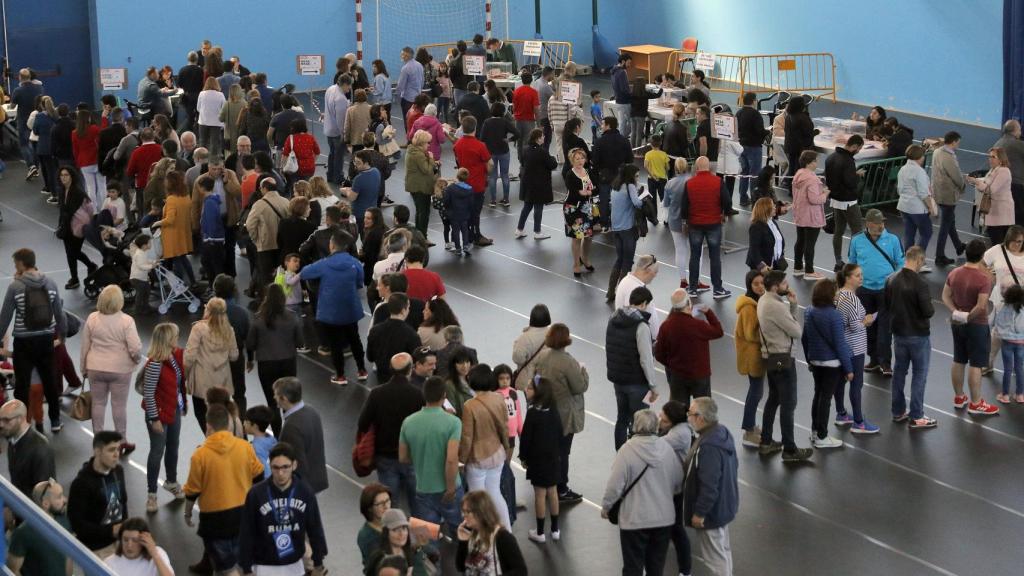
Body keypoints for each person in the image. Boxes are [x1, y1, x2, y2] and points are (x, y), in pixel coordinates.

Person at [183, 404, 265, 575]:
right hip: (243, 516)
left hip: (215, 522)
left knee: (225, 569)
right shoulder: (245, 447)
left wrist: (188, 513)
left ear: (208, 426)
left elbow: (193, 490)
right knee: (245, 565)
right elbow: (259, 476)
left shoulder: (200, 455)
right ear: (229, 425)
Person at [600, 409, 682, 576]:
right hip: (663, 519)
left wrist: (606, 507)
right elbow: (678, 483)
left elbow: (614, 486)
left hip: (634, 520)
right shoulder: (667, 448)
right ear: (656, 426)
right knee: (656, 567)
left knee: (632, 567)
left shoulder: (627, 450)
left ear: (635, 426)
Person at [0, 248, 67, 433]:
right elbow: (59, 314)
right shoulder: (51, 283)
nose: (14, 266)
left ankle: (20, 421)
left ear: (21, 263)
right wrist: (62, 336)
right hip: (45, 339)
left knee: (22, 385)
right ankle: (55, 420)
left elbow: (5, 316)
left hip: (24, 341)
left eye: (15, 264)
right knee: (50, 381)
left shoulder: (15, 287)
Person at [238, 442, 328, 576]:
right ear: (270, 465)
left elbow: (315, 529)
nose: (280, 473)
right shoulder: (256, 494)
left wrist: (318, 564)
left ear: (294, 465)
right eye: (276, 467)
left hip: (294, 565)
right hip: (263, 566)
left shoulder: (305, 493)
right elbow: (246, 533)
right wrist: (246, 569)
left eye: (285, 467)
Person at [757, 271, 813, 461]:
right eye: (784, 283)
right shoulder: (776, 306)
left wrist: (793, 304)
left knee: (773, 399)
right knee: (788, 404)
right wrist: (794, 306)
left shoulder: (763, 300)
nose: (787, 286)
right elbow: (796, 331)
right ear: (775, 286)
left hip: (771, 357)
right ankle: (790, 449)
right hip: (783, 358)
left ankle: (766, 441)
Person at [358, 352, 425, 510]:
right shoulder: (417, 394)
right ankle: (423, 534)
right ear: (410, 370)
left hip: (385, 457)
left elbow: (363, 423)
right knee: (420, 504)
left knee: (389, 505)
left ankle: (394, 532)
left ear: (390, 369)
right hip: (412, 457)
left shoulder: (377, 394)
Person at [80, 284, 142, 453]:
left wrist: (83, 368)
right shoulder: (126, 321)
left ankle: (98, 440)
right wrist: (135, 360)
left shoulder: (92, 318)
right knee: (119, 406)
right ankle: (122, 440)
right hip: (120, 370)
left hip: (95, 367)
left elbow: (85, 346)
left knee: (98, 404)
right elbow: (135, 348)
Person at [399, 376, 464, 536]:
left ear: (424, 395)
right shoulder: (453, 422)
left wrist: (423, 458)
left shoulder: (408, 422)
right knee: (462, 532)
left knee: (426, 536)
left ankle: (428, 559)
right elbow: (451, 459)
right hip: (449, 489)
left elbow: (403, 458)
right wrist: (450, 488)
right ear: (444, 396)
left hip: (423, 488)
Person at [942, 240, 1001, 416]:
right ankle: (976, 403)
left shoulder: (954, 272)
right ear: (983, 256)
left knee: (959, 359)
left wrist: (956, 313)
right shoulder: (983, 279)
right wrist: (968, 317)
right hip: (977, 324)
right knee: (976, 363)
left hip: (958, 323)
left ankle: (959, 397)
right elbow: (981, 306)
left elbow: (945, 296)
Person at [881, 246, 936, 430]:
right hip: (918, 335)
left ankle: (898, 411)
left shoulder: (890, 279)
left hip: (898, 334)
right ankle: (917, 415)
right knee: (919, 374)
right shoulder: (920, 284)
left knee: (899, 372)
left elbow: (887, 305)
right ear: (919, 260)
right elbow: (928, 311)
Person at [532, 323, 588, 504]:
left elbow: (536, 380)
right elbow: (579, 386)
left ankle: (549, 484)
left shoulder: (542, 357)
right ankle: (561, 488)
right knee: (563, 452)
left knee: (549, 449)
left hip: (546, 408)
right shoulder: (568, 362)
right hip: (564, 412)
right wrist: (584, 372)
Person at [683, 398, 739, 576]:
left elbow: (709, 485)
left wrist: (700, 513)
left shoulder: (708, 447)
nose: (688, 417)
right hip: (725, 505)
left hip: (711, 513)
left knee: (715, 558)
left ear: (700, 418)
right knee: (723, 551)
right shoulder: (722, 433)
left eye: (690, 413)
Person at [848, 208, 904, 376]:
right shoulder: (857, 240)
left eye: (882, 223)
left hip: (885, 291)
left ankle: (885, 363)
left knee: (885, 329)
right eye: (877, 223)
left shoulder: (893, 240)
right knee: (868, 326)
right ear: (868, 224)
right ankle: (873, 360)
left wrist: (896, 282)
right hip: (864, 290)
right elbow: (852, 262)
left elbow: (900, 262)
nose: (881, 226)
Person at [139, 323, 188, 513]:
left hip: (173, 409)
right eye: (175, 335)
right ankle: (152, 494)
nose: (178, 338)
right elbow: (149, 394)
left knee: (173, 446)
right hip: (158, 414)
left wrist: (182, 404)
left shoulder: (174, 357)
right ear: (167, 339)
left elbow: (178, 384)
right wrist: (154, 419)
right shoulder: (154, 364)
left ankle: (171, 481)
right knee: (157, 450)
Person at [801, 279, 853, 449]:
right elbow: (840, 344)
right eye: (835, 292)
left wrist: (809, 359)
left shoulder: (808, 311)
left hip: (816, 361)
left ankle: (815, 431)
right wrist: (848, 368)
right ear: (829, 295)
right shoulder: (834, 316)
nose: (837, 295)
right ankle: (823, 436)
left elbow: (805, 338)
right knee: (826, 399)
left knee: (818, 396)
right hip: (831, 364)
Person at [606, 287, 659, 450]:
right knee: (641, 423)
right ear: (643, 304)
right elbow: (646, 359)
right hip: (637, 383)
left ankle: (621, 453)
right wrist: (653, 385)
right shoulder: (641, 325)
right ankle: (639, 455)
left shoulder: (613, 318)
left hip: (618, 380)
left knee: (622, 419)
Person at [246, 284, 303, 436]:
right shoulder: (292, 316)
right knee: (289, 401)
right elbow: (300, 342)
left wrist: (250, 359)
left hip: (267, 365)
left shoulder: (259, 318)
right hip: (288, 363)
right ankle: (292, 433)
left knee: (273, 403)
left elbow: (250, 343)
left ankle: (277, 436)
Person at [459, 365, 511, 528]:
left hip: (478, 459)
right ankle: (506, 531)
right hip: (497, 453)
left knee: (477, 500)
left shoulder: (470, 406)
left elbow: (467, 438)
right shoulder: (498, 398)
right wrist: (506, 448)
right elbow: (504, 426)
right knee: (495, 493)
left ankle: (483, 535)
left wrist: (461, 460)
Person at [655, 288, 724, 409]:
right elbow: (718, 332)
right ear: (688, 304)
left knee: (679, 411)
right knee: (704, 411)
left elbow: (659, 354)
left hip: (678, 376)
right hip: (700, 375)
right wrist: (709, 313)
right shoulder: (698, 325)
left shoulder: (666, 326)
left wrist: (672, 364)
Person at [831, 264, 877, 434]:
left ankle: (841, 413)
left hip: (841, 345)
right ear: (848, 278)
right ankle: (859, 422)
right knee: (856, 384)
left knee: (841, 381)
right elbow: (854, 326)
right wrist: (866, 321)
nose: (861, 278)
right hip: (854, 347)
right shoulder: (852, 300)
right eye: (857, 275)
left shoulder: (837, 294)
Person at [68, 430, 128, 558]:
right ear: (97, 451)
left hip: (121, 543)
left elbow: (123, 503)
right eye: (111, 450)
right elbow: (77, 525)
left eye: (118, 449)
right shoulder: (81, 484)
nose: (117, 455)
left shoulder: (118, 471)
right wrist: (111, 531)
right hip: (97, 551)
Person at [517, 375, 563, 543]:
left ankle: (540, 532)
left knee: (539, 495)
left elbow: (526, 438)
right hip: (553, 459)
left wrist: (523, 457)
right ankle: (556, 529)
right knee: (553, 492)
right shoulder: (553, 409)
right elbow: (560, 432)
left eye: (529, 388)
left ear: (538, 393)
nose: (525, 390)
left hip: (537, 460)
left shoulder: (533, 413)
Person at [184, 297, 239, 431]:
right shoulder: (229, 330)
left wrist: (184, 375)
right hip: (223, 382)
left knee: (202, 415)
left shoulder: (198, 328)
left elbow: (189, 356)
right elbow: (234, 356)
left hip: (202, 381)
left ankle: (212, 441)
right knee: (222, 417)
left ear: (208, 310)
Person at [681, 156, 731, 299]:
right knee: (715, 257)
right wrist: (725, 214)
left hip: (695, 224)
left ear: (696, 168)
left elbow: (684, 206)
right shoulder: (718, 182)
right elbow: (727, 202)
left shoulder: (689, 183)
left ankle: (692, 288)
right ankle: (717, 289)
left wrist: (686, 221)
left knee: (695, 256)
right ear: (709, 167)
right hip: (714, 223)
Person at [274, 377, 329, 493]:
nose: (274, 398)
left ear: (284, 399)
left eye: (276, 395)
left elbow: (298, 464)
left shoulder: (291, 427)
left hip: (303, 487)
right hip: (317, 477)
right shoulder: (312, 411)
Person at [732, 271, 768, 447]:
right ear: (749, 286)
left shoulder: (758, 301)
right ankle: (748, 430)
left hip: (756, 355)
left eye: (762, 283)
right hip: (753, 356)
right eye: (756, 284)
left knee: (756, 392)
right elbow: (751, 333)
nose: (760, 286)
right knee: (755, 393)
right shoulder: (748, 307)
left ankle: (751, 427)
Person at [8, 478, 72, 575]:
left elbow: (69, 555)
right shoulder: (23, 533)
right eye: (59, 497)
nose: (65, 500)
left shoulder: (64, 519)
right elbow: (13, 569)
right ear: (45, 503)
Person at [456, 490, 527, 575]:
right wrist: (463, 542)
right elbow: (461, 567)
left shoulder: (503, 537)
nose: (463, 515)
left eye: (467, 512)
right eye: (463, 511)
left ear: (480, 512)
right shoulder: (471, 533)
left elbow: (521, 571)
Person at [983, 226, 1024, 372]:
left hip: (1021, 301)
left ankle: (1018, 365)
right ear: (1007, 239)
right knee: (998, 332)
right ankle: (988, 362)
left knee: (1020, 332)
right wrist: (990, 276)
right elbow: (981, 263)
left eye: (1020, 242)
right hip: (1001, 300)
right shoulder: (997, 250)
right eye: (1014, 241)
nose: (1017, 245)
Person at [453, 116, 494, 247]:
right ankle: (476, 235)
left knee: (466, 211)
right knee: (475, 212)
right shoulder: (480, 145)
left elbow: (458, 161)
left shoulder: (457, 144)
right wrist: (486, 171)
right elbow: (490, 163)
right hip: (477, 184)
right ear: (475, 128)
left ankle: (468, 235)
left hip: (462, 183)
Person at [0, 399, 55, 497]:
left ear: (20, 419)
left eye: (6, 420)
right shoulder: (12, 439)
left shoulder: (41, 449)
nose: (1, 424)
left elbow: (44, 493)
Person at [245, 179, 290, 296]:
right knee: (281, 276)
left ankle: (268, 302)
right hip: (282, 246)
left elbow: (250, 225)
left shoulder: (259, 204)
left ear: (264, 188)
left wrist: (256, 240)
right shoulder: (286, 202)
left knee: (266, 278)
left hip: (266, 246)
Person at [606, 164, 644, 301]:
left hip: (616, 228)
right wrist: (643, 198)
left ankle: (610, 291)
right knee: (627, 262)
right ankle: (622, 293)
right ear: (631, 176)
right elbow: (637, 203)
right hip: (627, 228)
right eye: (637, 176)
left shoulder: (615, 186)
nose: (638, 178)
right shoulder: (630, 186)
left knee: (619, 260)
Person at [57, 167, 99, 289]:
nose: (63, 177)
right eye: (62, 175)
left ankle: (90, 266)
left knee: (73, 252)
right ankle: (75, 277)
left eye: (66, 175)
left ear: (72, 177)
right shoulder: (61, 191)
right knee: (70, 253)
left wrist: (89, 222)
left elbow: (90, 208)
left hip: (78, 226)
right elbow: (62, 209)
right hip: (66, 226)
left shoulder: (78, 192)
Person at [792, 150, 829, 280]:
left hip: (800, 213)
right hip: (812, 216)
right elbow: (815, 200)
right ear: (810, 163)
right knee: (810, 244)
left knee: (800, 240)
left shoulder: (798, 175)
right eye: (815, 160)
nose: (817, 163)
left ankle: (797, 267)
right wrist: (825, 194)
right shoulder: (812, 179)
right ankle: (809, 270)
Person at [366, 295, 423, 381]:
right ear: (403, 311)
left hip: (382, 376)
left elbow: (370, 357)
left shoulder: (375, 330)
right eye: (408, 308)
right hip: (403, 379)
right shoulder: (411, 334)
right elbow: (418, 359)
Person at [931, 131, 967, 266]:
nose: (958, 145)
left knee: (949, 220)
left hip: (939, 192)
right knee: (945, 225)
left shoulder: (937, 151)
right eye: (958, 142)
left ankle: (958, 246)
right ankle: (939, 255)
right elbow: (956, 176)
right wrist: (963, 185)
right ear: (953, 142)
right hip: (948, 195)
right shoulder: (948, 157)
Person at [591, 116, 632, 229]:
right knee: (620, 199)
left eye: (603, 124)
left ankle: (604, 223)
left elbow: (595, 161)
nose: (601, 126)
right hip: (620, 175)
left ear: (608, 126)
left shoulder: (600, 142)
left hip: (605, 176)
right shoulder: (624, 140)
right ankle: (619, 221)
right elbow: (630, 159)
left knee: (604, 200)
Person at [157, 170, 197, 286]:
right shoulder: (185, 197)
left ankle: (179, 286)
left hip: (173, 235)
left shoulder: (171, 200)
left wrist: (157, 223)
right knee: (183, 259)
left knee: (177, 261)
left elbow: (170, 220)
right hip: (183, 232)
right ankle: (193, 282)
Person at [515, 128, 556, 240]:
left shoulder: (525, 149)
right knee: (538, 207)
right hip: (539, 184)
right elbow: (552, 164)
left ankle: (519, 229)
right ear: (538, 138)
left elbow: (523, 162)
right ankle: (537, 231)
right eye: (542, 136)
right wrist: (552, 158)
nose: (544, 137)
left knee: (527, 206)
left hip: (527, 183)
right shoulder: (542, 152)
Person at [969, 147, 1014, 245]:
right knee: (995, 241)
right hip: (994, 211)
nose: (990, 159)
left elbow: (991, 190)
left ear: (1001, 158)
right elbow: (986, 183)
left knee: (998, 243)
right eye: (989, 156)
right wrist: (975, 181)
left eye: (993, 157)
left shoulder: (1004, 171)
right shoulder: (994, 169)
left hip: (1001, 213)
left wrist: (976, 182)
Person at [897, 144, 934, 257]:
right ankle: (918, 260)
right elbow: (923, 193)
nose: (923, 158)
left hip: (903, 206)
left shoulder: (903, 169)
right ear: (919, 157)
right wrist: (930, 207)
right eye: (923, 156)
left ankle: (908, 260)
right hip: (917, 209)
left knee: (909, 234)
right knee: (926, 233)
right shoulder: (919, 171)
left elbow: (899, 189)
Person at [103, 517, 174, 576]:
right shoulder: (109, 563)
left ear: (145, 540)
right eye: (125, 540)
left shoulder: (158, 553)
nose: (129, 545)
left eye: (135, 540)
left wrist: (154, 554)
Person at [481, 103, 518, 208]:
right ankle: (506, 199)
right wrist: (509, 140)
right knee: (505, 175)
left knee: (492, 177)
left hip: (491, 152)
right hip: (504, 151)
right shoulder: (505, 122)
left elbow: (482, 138)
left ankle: (493, 200)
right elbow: (517, 133)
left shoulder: (487, 122)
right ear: (503, 112)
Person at [615, 255, 662, 337]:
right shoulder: (635, 290)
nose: (655, 275)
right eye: (655, 272)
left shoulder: (627, 280)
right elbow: (632, 320)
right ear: (648, 270)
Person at [405, 130, 439, 238]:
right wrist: (431, 159)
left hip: (415, 185)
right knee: (423, 213)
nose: (429, 145)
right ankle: (422, 236)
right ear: (422, 142)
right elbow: (427, 170)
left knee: (420, 211)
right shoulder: (418, 154)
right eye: (428, 142)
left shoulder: (412, 150)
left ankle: (419, 235)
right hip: (420, 187)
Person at [511, 304, 551, 390]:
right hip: (547, 376)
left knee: (531, 400)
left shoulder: (525, 338)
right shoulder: (552, 334)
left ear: (532, 318)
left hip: (529, 379)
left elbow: (517, 358)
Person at [995, 284, 1024, 403]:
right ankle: (1020, 394)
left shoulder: (1002, 306)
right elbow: (1019, 326)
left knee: (1007, 368)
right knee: (1019, 368)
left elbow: (994, 321)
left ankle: (1005, 395)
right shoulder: (1022, 309)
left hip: (1006, 341)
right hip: (1021, 342)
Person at [71, 105, 105, 206]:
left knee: (90, 187)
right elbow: (103, 134)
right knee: (102, 186)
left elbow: (75, 150)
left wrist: (77, 163)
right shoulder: (94, 129)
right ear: (88, 118)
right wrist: (104, 118)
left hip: (84, 163)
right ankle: (103, 207)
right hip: (97, 161)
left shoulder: (74, 133)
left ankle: (93, 209)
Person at [994, 119, 1024, 225]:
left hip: (999, 184)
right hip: (1016, 184)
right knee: (1019, 214)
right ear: (1014, 131)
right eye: (1019, 130)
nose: (1020, 132)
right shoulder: (1018, 144)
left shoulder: (998, 143)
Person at [783, 96, 815, 185]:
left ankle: (790, 187)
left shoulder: (788, 117)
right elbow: (809, 132)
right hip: (801, 148)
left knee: (792, 168)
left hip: (791, 147)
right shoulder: (803, 117)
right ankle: (797, 188)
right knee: (799, 170)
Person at [746, 197, 786, 271]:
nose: (775, 208)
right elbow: (754, 249)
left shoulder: (772, 222)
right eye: (773, 206)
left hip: (774, 264)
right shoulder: (756, 226)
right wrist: (761, 266)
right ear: (766, 209)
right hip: (763, 267)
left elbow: (778, 241)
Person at [357, 484, 393, 566]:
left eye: (387, 501)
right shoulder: (367, 537)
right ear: (369, 508)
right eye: (380, 503)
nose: (386, 506)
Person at [512, 71, 540, 164]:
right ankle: (526, 161)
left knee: (519, 141)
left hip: (518, 120)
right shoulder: (534, 92)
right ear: (531, 80)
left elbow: (513, 107)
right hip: (529, 120)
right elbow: (536, 109)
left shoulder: (516, 91)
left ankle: (520, 159)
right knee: (527, 142)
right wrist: (539, 123)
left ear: (522, 80)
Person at [196, 77, 226, 158]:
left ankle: (201, 159)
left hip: (203, 121)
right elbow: (224, 108)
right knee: (214, 143)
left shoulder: (201, 94)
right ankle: (213, 160)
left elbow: (198, 108)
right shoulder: (220, 95)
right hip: (216, 122)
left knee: (202, 141)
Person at [396, 47, 425, 132]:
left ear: (406, 55)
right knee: (419, 120)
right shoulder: (419, 65)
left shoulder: (405, 68)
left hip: (408, 99)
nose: (401, 56)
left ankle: (409, 142)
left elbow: (400, 86)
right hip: (418, 98)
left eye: (402, 54)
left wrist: (398, 98)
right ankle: (418, 141)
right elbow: (422, 81)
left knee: (408, 121)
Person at [609, 54, 633, 139]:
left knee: (621, 122)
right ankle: (622, 137)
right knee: (631, 122)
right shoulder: (622, 72)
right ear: (623, 61)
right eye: (628, 63)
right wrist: (632, 94)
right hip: (625, 101)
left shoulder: (613, 71)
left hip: (618, 100)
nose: (629, 65)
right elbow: (624, 89)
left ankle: (620, 137)